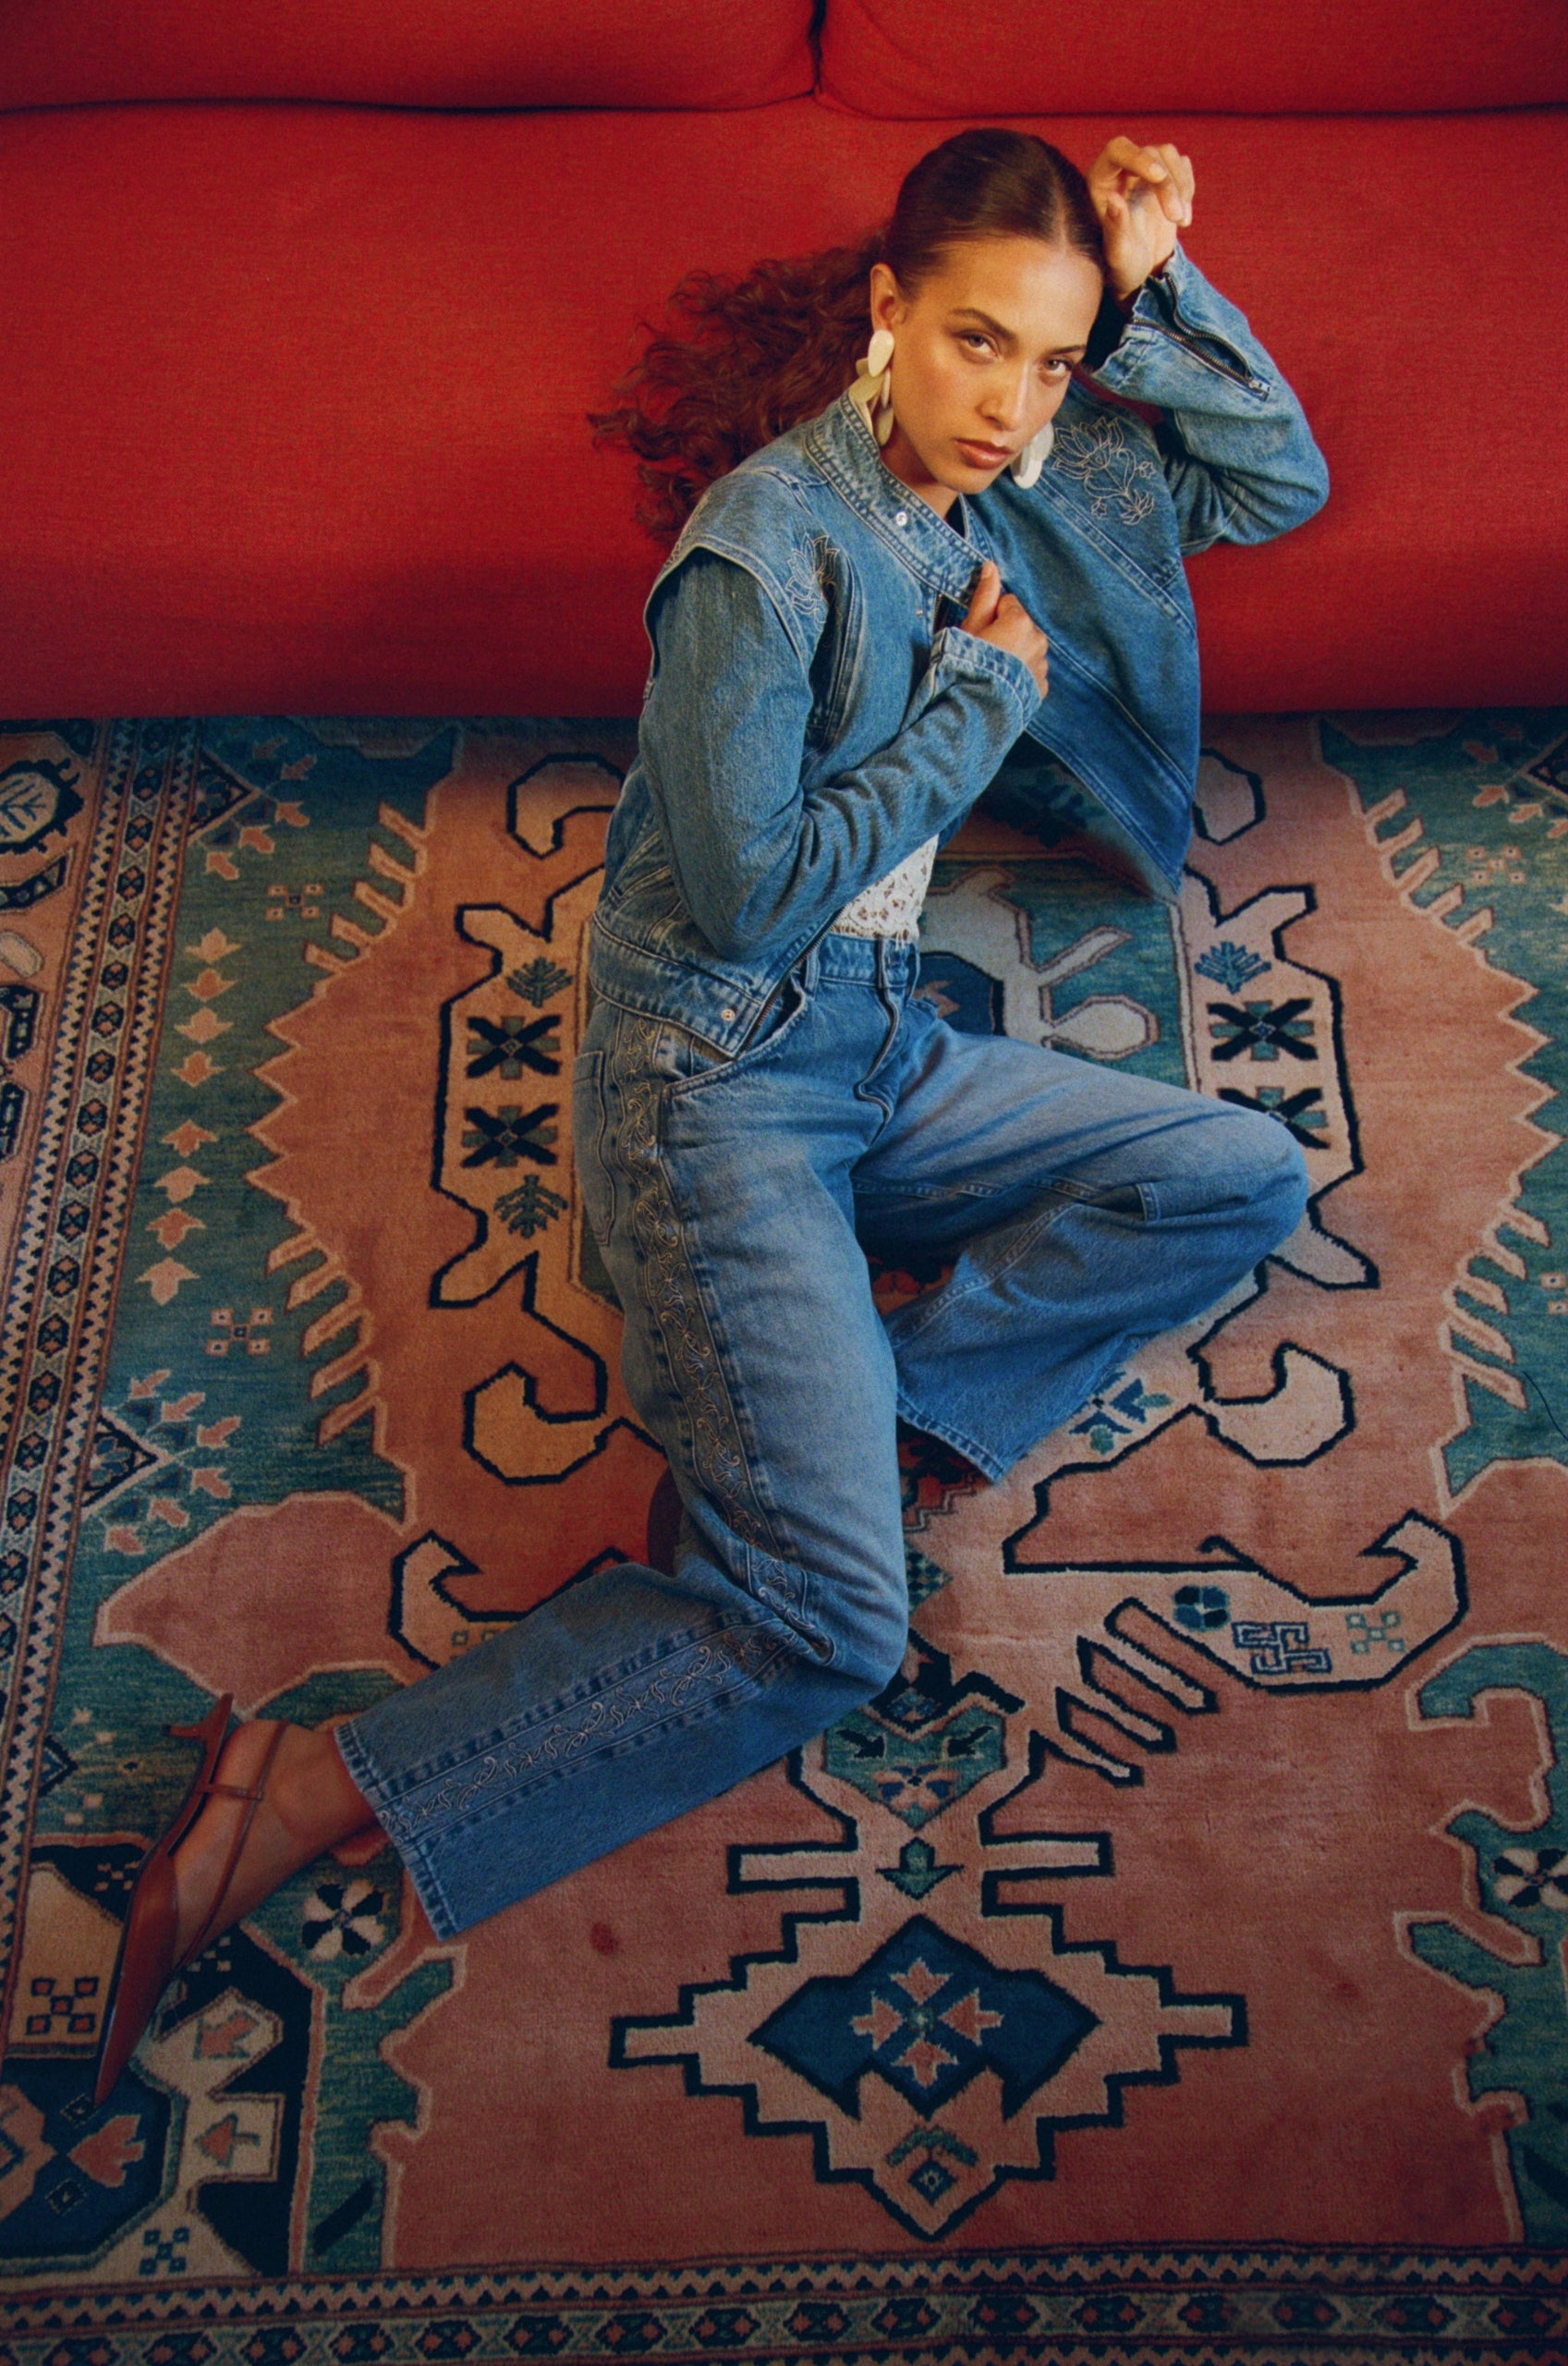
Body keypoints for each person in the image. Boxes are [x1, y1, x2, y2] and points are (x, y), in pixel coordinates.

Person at [94, 128, 1327, 2104]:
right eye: (979, 345)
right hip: (718, 1082)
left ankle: (893, 1402)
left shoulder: (1018, 461)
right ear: (887, 313)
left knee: (1240, 1169)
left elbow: (1278, 478)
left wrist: (1160, 282)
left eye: (1054, 361)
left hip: (879, 1046)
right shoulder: (763, 555)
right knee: (834, 1624)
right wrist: (972, 720)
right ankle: (306, 1779)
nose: (1015, 405)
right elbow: (752, 897)